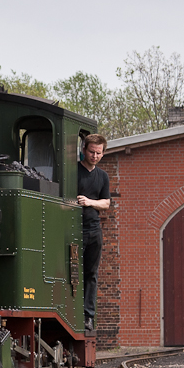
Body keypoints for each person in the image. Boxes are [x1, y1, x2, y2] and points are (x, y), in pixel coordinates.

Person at [77, 133, 110, 332]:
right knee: (73, 273)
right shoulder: (73, 172)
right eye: (91, 152)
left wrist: (90, 202)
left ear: (103, 153)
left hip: (93, 229)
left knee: (91, 273)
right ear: (84, 150)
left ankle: (88, 316)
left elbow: (106, 203)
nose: (95, 156)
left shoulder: (103, 176)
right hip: (73, 229)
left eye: (98, 153)